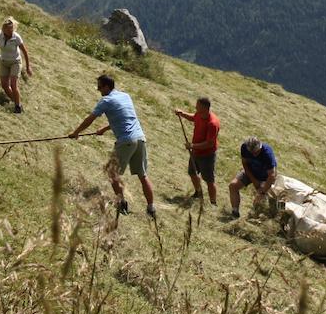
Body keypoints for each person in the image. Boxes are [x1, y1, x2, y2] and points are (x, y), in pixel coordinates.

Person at [70, 74, 155, 218]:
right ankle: (151, 208)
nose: (98, 90)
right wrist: (104, 129)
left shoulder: (106, 100)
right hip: (140, 138)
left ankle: (121, 203)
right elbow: (124, 117)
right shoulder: (125, 96)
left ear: (107, 87)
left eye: (100, 87)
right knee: (143, 175)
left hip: (126, 141)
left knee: (111, 173)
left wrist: (76, 132)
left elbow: (90, 119)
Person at [175, 98, 220, 205]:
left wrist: (193, 146)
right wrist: (182, 114)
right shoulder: (200, 115)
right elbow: (193, 117)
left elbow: (209, 143)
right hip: (195, 152)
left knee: (209, 179)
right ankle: (198, 192)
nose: (195, 107)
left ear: (204, 108)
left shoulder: (212, 123)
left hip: (207, 155)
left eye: (197, 105)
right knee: (192, 172)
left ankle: (213, 202)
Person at [0, 17, 32, 114]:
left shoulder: (16, 37)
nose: (11, 31)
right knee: (4, 85)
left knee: (13, 84)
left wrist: (28, 67)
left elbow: (25, 52)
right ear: (4, 29)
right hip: (4, 62)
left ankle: (17, 107)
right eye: (8, 29)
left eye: (12, 29)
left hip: (15, 62)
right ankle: (16, 101)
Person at [229, 137, 277, 219]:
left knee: (259, 199)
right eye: (252, 153)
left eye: (256, 152)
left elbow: (271, 176)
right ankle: (235, 212)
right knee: (233, 185)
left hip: (266, 178)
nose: (254, 155)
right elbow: (245, 164)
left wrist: (262, 191)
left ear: (260, 147)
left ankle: (254, 218)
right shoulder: (244, 147)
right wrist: (254, 181)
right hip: (251, 172)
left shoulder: (267, 154)